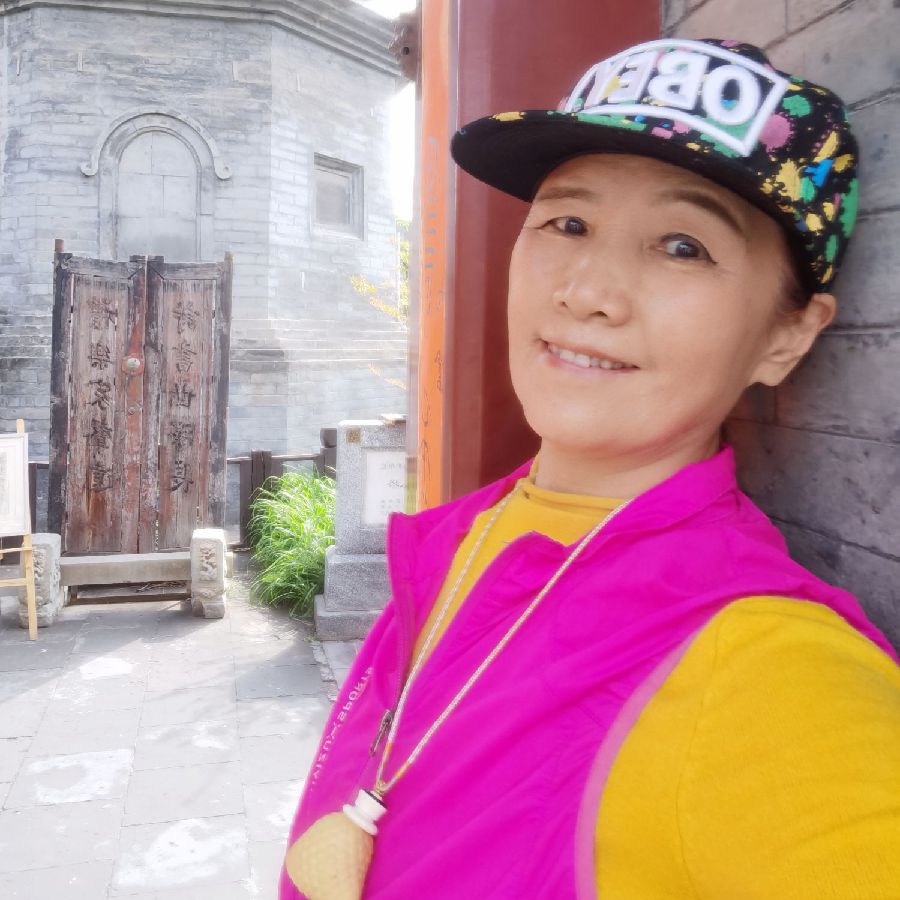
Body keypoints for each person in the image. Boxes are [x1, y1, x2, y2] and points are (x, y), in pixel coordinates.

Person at [280, 38, 900, 900]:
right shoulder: (468, 534)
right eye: (567, 224)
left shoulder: (771, 673)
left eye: (681, 246)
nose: (587, 293)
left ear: (786, 336)